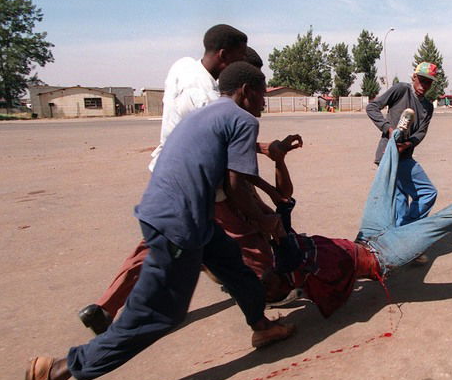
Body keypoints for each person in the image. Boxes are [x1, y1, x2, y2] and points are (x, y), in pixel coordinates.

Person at [24, 62, 296, 380]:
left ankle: (261, 324)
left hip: (178, 213)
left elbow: (236, 177)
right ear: (247, 90)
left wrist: (269, 196)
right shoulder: (243, 119)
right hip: (179, 225)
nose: (264, 102)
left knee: (231, 263)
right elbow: (235, 187)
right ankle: (57, 371)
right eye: (263, 93)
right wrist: (268, 223)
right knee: (155, 316)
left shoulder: (211, 112)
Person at [77, 30, 295, 334]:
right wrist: (265, 207)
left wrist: (261, 150)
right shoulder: (206, 96)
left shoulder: (183, 67)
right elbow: (228, 164)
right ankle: (271, 290)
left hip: (166, 172)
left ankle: (105, 306)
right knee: (250, 242)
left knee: (155, 244)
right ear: (224, 57)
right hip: (197, 182)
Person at [264, 120, 452, 318]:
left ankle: (396, 137)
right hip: (386, 255)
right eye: (272, 286)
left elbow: (283, 204)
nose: (271, 278)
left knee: (381, 182)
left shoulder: (284, 256)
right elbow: (323, 296)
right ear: (285, 290)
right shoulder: (313, 288)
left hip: (367, 234)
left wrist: (279, 161)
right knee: (448, 218)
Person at [366, 62, 439, 232]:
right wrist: (389, 129)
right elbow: (372, 107)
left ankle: (398, 234)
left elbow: (421, 132)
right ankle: (405, 232)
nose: (424, 85)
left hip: (404, 154)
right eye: (421, 80)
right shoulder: (401, 90)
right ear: (414, 77)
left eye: (428, 82)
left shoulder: (427, 106)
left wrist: (408, 144)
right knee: (427, 193)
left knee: (400, 200)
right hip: (389, 154)